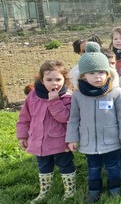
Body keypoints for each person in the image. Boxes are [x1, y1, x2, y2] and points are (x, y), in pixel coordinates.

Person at [65, 42, 121, 203]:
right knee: (93, 168)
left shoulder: (116, 93)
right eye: (92, 73)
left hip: (111, 140)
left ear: (109, 73)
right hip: (89, 142)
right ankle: (94, 191)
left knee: (113, 166)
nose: (98, 76)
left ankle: (114, 189)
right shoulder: (78, 95)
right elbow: (74, 118)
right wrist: (72, 138)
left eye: (102, 72)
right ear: (83, 76)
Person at [16, 60, 76, 202]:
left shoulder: (68, 97)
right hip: (39, 141)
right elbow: (24, 117)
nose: (54, 83)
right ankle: (44, 191)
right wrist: (22, 136)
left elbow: (65, 117)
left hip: (60, 141)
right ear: (42, 80)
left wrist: (54, 101)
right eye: (49, 80)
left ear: (64, 79)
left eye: (58, 79)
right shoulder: (33, 95)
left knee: (65, 164)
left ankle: (70, 191)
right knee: (43, 166)